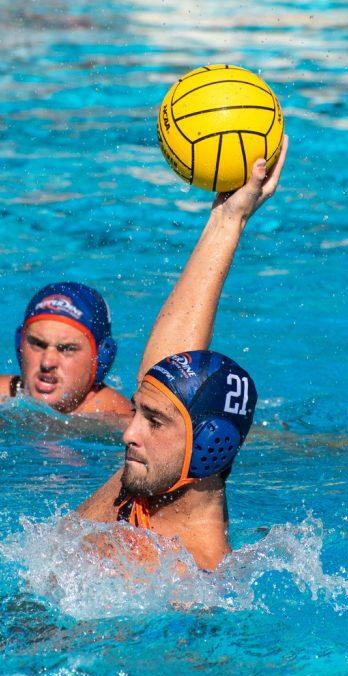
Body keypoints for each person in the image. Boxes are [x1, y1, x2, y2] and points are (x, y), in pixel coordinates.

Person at [77, 137, 289, 571]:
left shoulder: (193, 584)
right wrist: (228, 219)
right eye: (138, 413)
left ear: (207, 444)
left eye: (152, 420)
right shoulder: (143, 485)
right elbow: (166, 370)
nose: (128, 434)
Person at [0, 282, 132, 421]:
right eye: (38, 344)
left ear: (100, 358)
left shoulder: (118, 421)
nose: (47, 362)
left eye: (67, 349)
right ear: (20, 346)